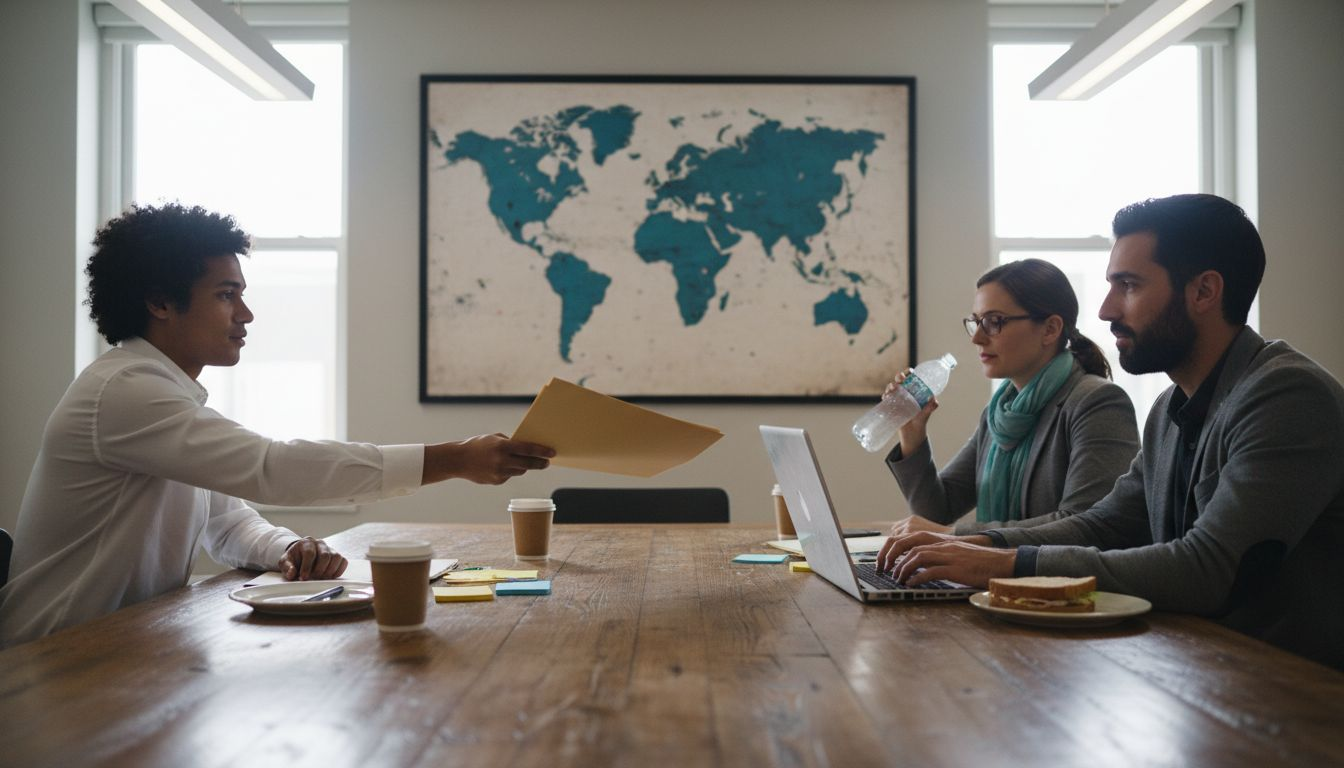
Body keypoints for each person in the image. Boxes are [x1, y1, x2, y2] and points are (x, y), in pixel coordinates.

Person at [0, 203, 556, 647]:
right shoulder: (123, 392)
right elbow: (272, 469)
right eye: (226, 295)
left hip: (124, 647)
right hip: (54, 660)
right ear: (160, 303)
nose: (245, 315)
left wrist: (287, 548)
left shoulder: (162, 395)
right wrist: (453, 458)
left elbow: (228, 522)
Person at [878, 194, 1344, 669]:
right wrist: (976, 546)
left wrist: (1003, 564)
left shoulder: (1287, 395)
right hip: (1201, 671)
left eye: (1129, 285)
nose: (1104, 310)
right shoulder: (1170, 408)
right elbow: (1106, 524)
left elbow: (1210, 568)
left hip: (1293, 695)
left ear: (1204, 291)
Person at [885, 258, 1139, 536]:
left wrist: (955, 537)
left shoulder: (1098, 402)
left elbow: (1085, 524)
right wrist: (912, 433)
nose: (977, 338)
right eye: (976, 322)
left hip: (1068, 580)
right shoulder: (999, 413)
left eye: (994, 322)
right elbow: (936, 512)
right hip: (995, 577)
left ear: (1051, 329)